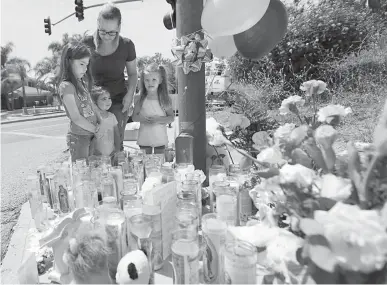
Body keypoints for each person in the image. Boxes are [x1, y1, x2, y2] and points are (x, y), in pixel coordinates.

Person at [83, 3, 138, 150]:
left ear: (119, 27)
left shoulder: (127, 45)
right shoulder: (86, 44)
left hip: (118, 100)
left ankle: (117, 171)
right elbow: (80, 75)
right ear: (97, 24)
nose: (107, 36)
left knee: (115, 142)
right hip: (92, 102)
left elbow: (133, 73)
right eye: (102, 31)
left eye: (112, 32)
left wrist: (130, 95)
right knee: (94, 143)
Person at [58, 42, 102, 162]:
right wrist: (95, 129)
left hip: (91, 134)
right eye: (81, 64)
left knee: (92, 169)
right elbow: (76, 117)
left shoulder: (81, 83)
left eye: (87, 65)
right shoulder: (66, 86)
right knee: (81, 173)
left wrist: (100, 121)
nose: (85, 68)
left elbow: (91, 105)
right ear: (69, 61)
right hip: (79, 137)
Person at [132, 64, 174, 154]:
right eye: (147, 80)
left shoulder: (164, 98)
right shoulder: (140, 98)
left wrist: (158, 119)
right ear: (143, 81)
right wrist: (143, 119)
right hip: (144, 137)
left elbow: (171, 118)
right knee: (145, 163)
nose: (150, 83)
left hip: (160, 138)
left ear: (160, 80)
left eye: (154, 79)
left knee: (159, 162)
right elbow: (134, 117)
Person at [90, 86, 120, 157]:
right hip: (97, 155)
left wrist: (117, 150)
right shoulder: (93, 118)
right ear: (94, 102)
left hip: (111, 153)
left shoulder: (112, 116)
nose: (108, 101)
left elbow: (117, 135)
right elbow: (90, 138)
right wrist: (93, 151)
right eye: (104, 99)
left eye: (109, 98)